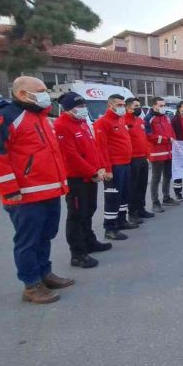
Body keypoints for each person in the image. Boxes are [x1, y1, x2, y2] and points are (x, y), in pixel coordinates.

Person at [0, 76, 73, 304]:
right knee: (28, 241)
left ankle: (44, 273)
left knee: (45, 236)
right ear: (22, 94)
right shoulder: (4, 117)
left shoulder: (40, 117)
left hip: (48, 191)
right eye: (40, 90)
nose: (45, 93)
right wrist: (10, 190)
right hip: (25, 195)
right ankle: (31, 285)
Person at [54, 92, 112, 269]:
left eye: (84, 106)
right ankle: (78, 253)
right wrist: (92, 171)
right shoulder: (61, 125)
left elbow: (93, 148)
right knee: (76, 215)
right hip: (76, 178)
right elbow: (71, 156)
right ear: (69, 109)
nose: (83, 109)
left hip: (90, 175)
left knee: (89, 210)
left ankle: (89, 242)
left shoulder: (82, 123)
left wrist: (100, 167)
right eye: (79, 107)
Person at [93, 94, 137, 241]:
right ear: (110, 105)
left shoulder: (120, 121)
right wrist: (107, 169)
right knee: (113, 197)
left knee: (124, 194)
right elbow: (101, 147)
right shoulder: (103, 122)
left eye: (123, 105)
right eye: (119, 105)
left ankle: (121, 220)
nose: (122, 107)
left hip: (125, 163)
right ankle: (110, 227)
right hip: (114, 166)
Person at [145, 97, 180, 212]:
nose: (163, 107)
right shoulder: (149, 118)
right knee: (156, 178)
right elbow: (149, 136)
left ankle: (166, 197)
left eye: (164, 105)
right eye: (161, 105)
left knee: (168, 175)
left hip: (169, 152)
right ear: (154, 106)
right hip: (157, 153)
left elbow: (172, 132)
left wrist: (173, 140)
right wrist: (166, 139)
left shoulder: (166, 117)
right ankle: (155, 202)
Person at [123, 97, 155, 222]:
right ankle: (132, 213)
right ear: (128, 107)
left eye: (139, 105)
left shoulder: (140, 121)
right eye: (136, 106)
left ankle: (141, 209)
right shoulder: (124, 121)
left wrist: (147, 155)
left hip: (143, 157)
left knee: (142, 185)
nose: (138, 108)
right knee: (133, 186)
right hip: (132, 159)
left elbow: (144, 139)